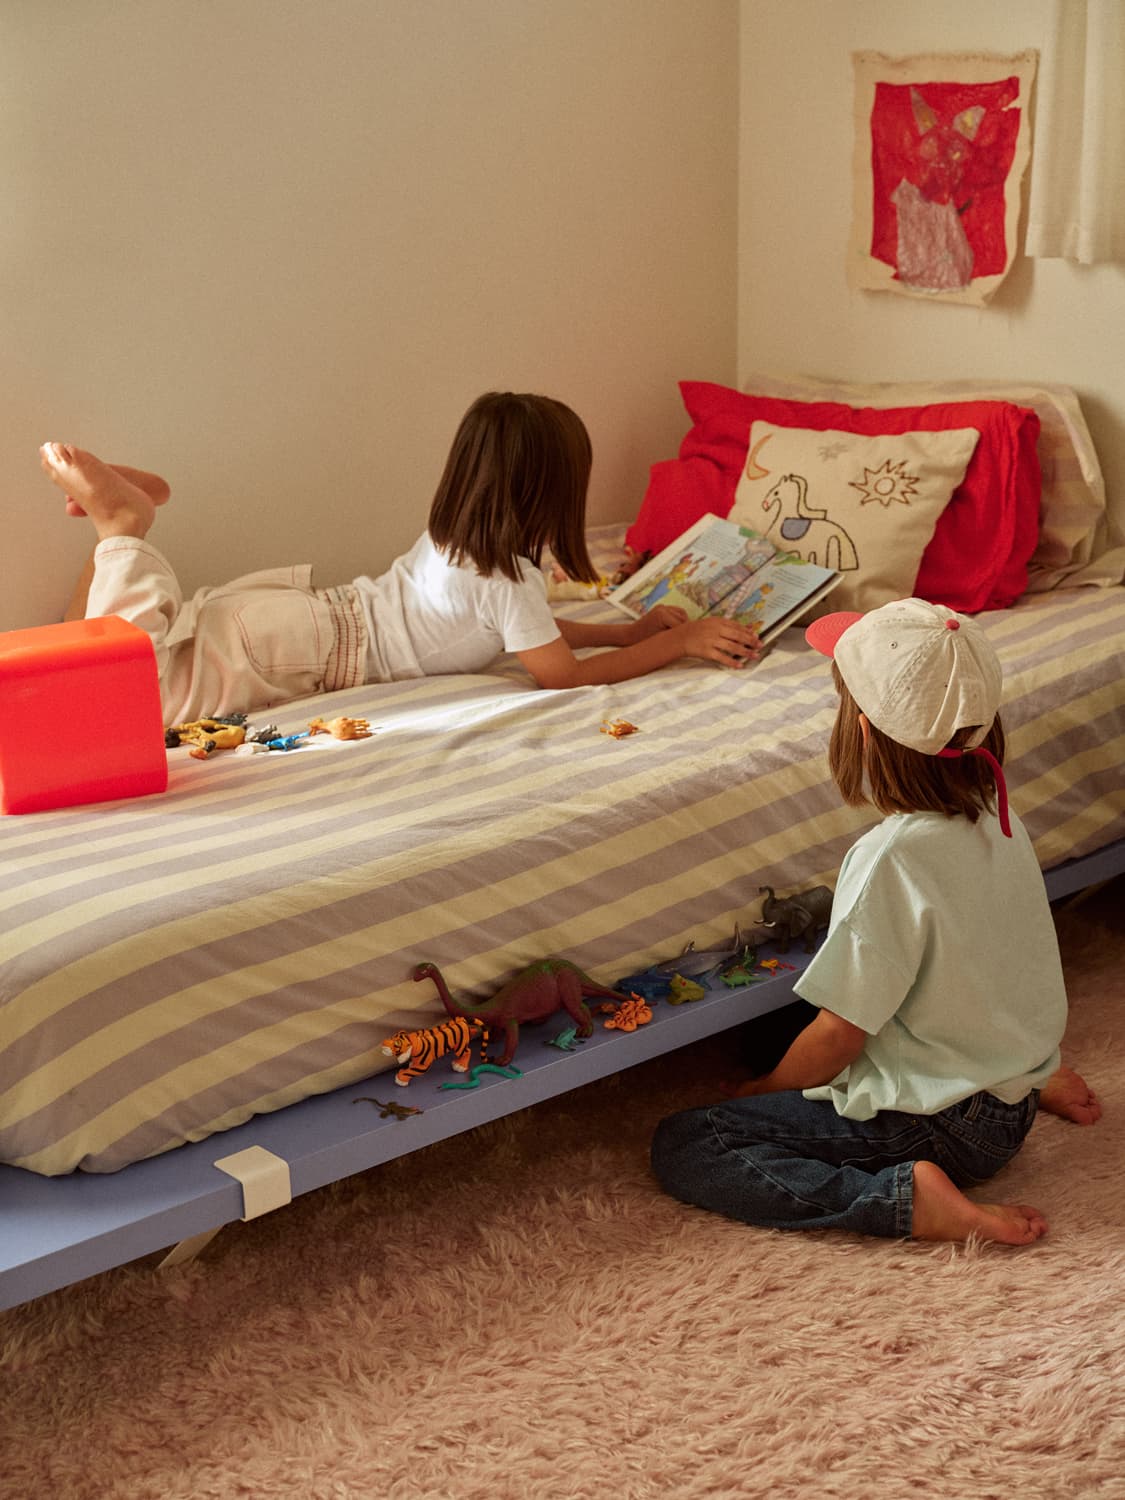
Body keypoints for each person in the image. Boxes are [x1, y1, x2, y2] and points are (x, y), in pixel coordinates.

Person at [651, 598, 1101, 1246]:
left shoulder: (889, 857)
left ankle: (901, 1203)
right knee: (775, 1024)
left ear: (861, 731)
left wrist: (760, 1091)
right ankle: (1022, 1075)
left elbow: (839, 1035)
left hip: (941, 1124)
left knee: (691, 1141)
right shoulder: (999, 817)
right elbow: (1002, 956)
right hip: (1006, 1096)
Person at [41, 391, 761, 725]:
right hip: (303, 647)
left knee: (112, 660)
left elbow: (531, 636)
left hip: (292, 617)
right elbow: (561, 677)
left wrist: (626, 631)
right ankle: (122, 527)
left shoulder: (456, 538)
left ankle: (118, 546)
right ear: (552, 489)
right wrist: (678, 642)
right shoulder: (505, 575)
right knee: (126, 702)